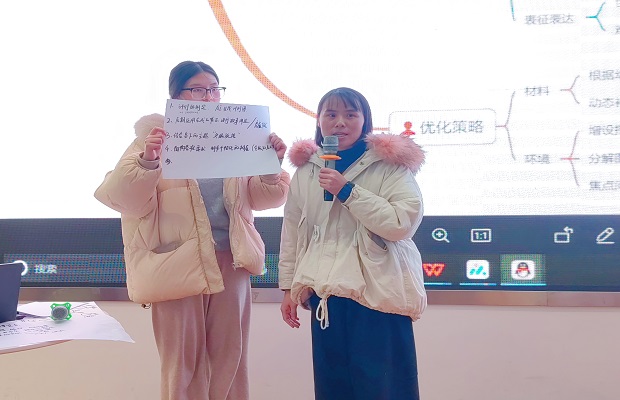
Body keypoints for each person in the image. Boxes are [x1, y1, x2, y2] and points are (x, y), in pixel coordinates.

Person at [95, 61, 290, 400]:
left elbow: (264, 198)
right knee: (181, 364)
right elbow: (121, 198)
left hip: (231, 260)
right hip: (176, 263)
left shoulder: (237, 135)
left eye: (214, 89)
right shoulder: (151, 138)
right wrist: (149, 159)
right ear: (176, 97)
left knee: (231, 358)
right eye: (198, 90)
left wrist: (271, 167)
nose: (209, 97)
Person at [278, 87, 426, 400]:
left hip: (378, 295)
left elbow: (402, 223)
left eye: (350, 114)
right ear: (319, 121)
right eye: (331, 114)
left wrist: (348, 191)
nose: (340, 122)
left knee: (384, 389)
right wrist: (289, 287)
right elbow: (293, 231)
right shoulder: (306, 170)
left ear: (364, 120)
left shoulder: (389, 165)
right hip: (326, 296)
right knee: (333, 389)